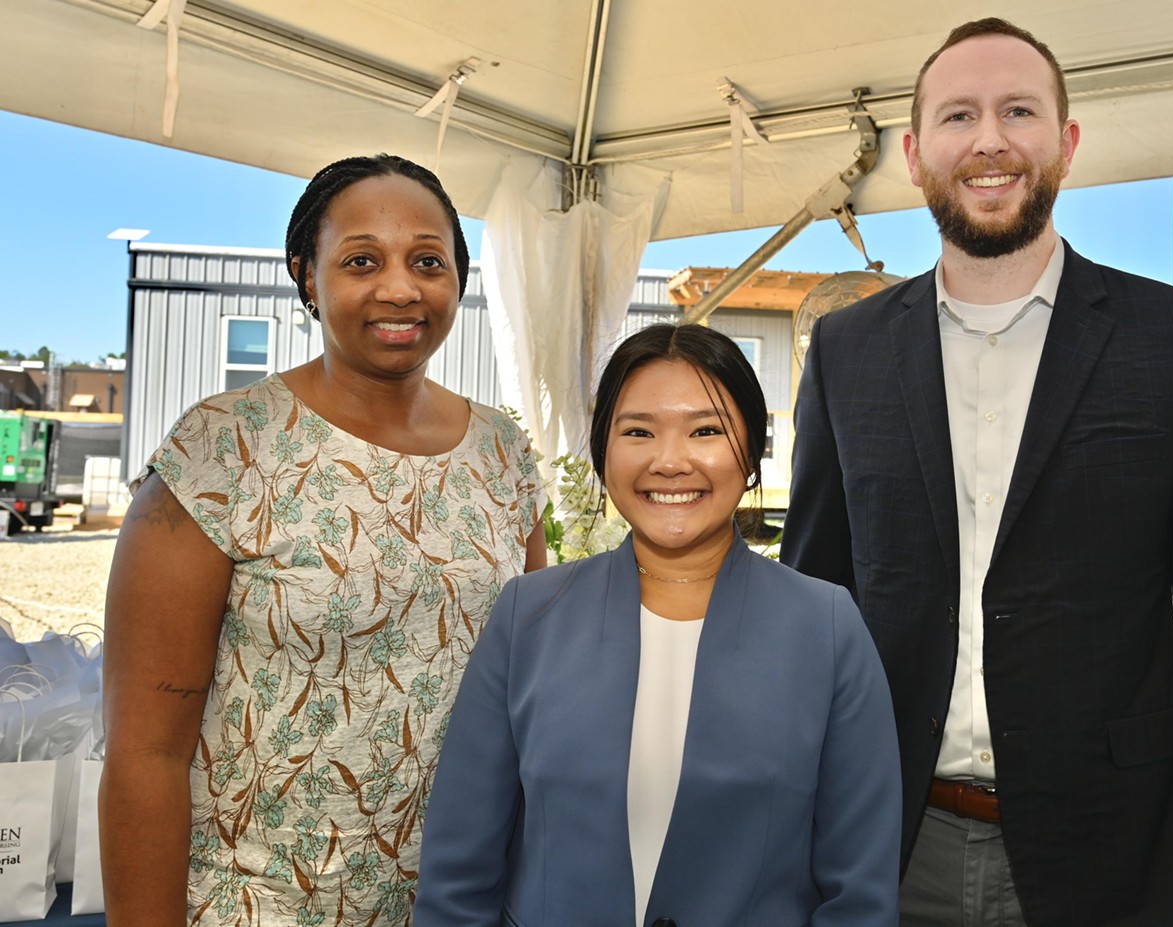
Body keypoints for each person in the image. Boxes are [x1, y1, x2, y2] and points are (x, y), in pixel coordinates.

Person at [781, 18, 1173, 927]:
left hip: (1122, 854)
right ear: (913, 152)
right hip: (886, 848)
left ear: (1065, 143)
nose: (988, 139)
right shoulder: (844, 354)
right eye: (958, 115)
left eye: (1018, 110)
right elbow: (813, 606)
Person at [100, 154, 546, 927]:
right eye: (361, 260)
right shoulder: (222, 449)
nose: (400, 287)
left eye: (428, 261)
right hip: (255, 905)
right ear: (308, 277)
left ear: (458, 281)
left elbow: (534, 686)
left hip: (460, 902)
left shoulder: (501, 452)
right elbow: (145, 755)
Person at [412, 323, 901, 926]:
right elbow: (458, 874)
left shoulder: (828, 628)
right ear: (603, 451)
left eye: (706, 431)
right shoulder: (528, 616)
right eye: (638, 431)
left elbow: (859, 895)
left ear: (752, 452)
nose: (670, 462)